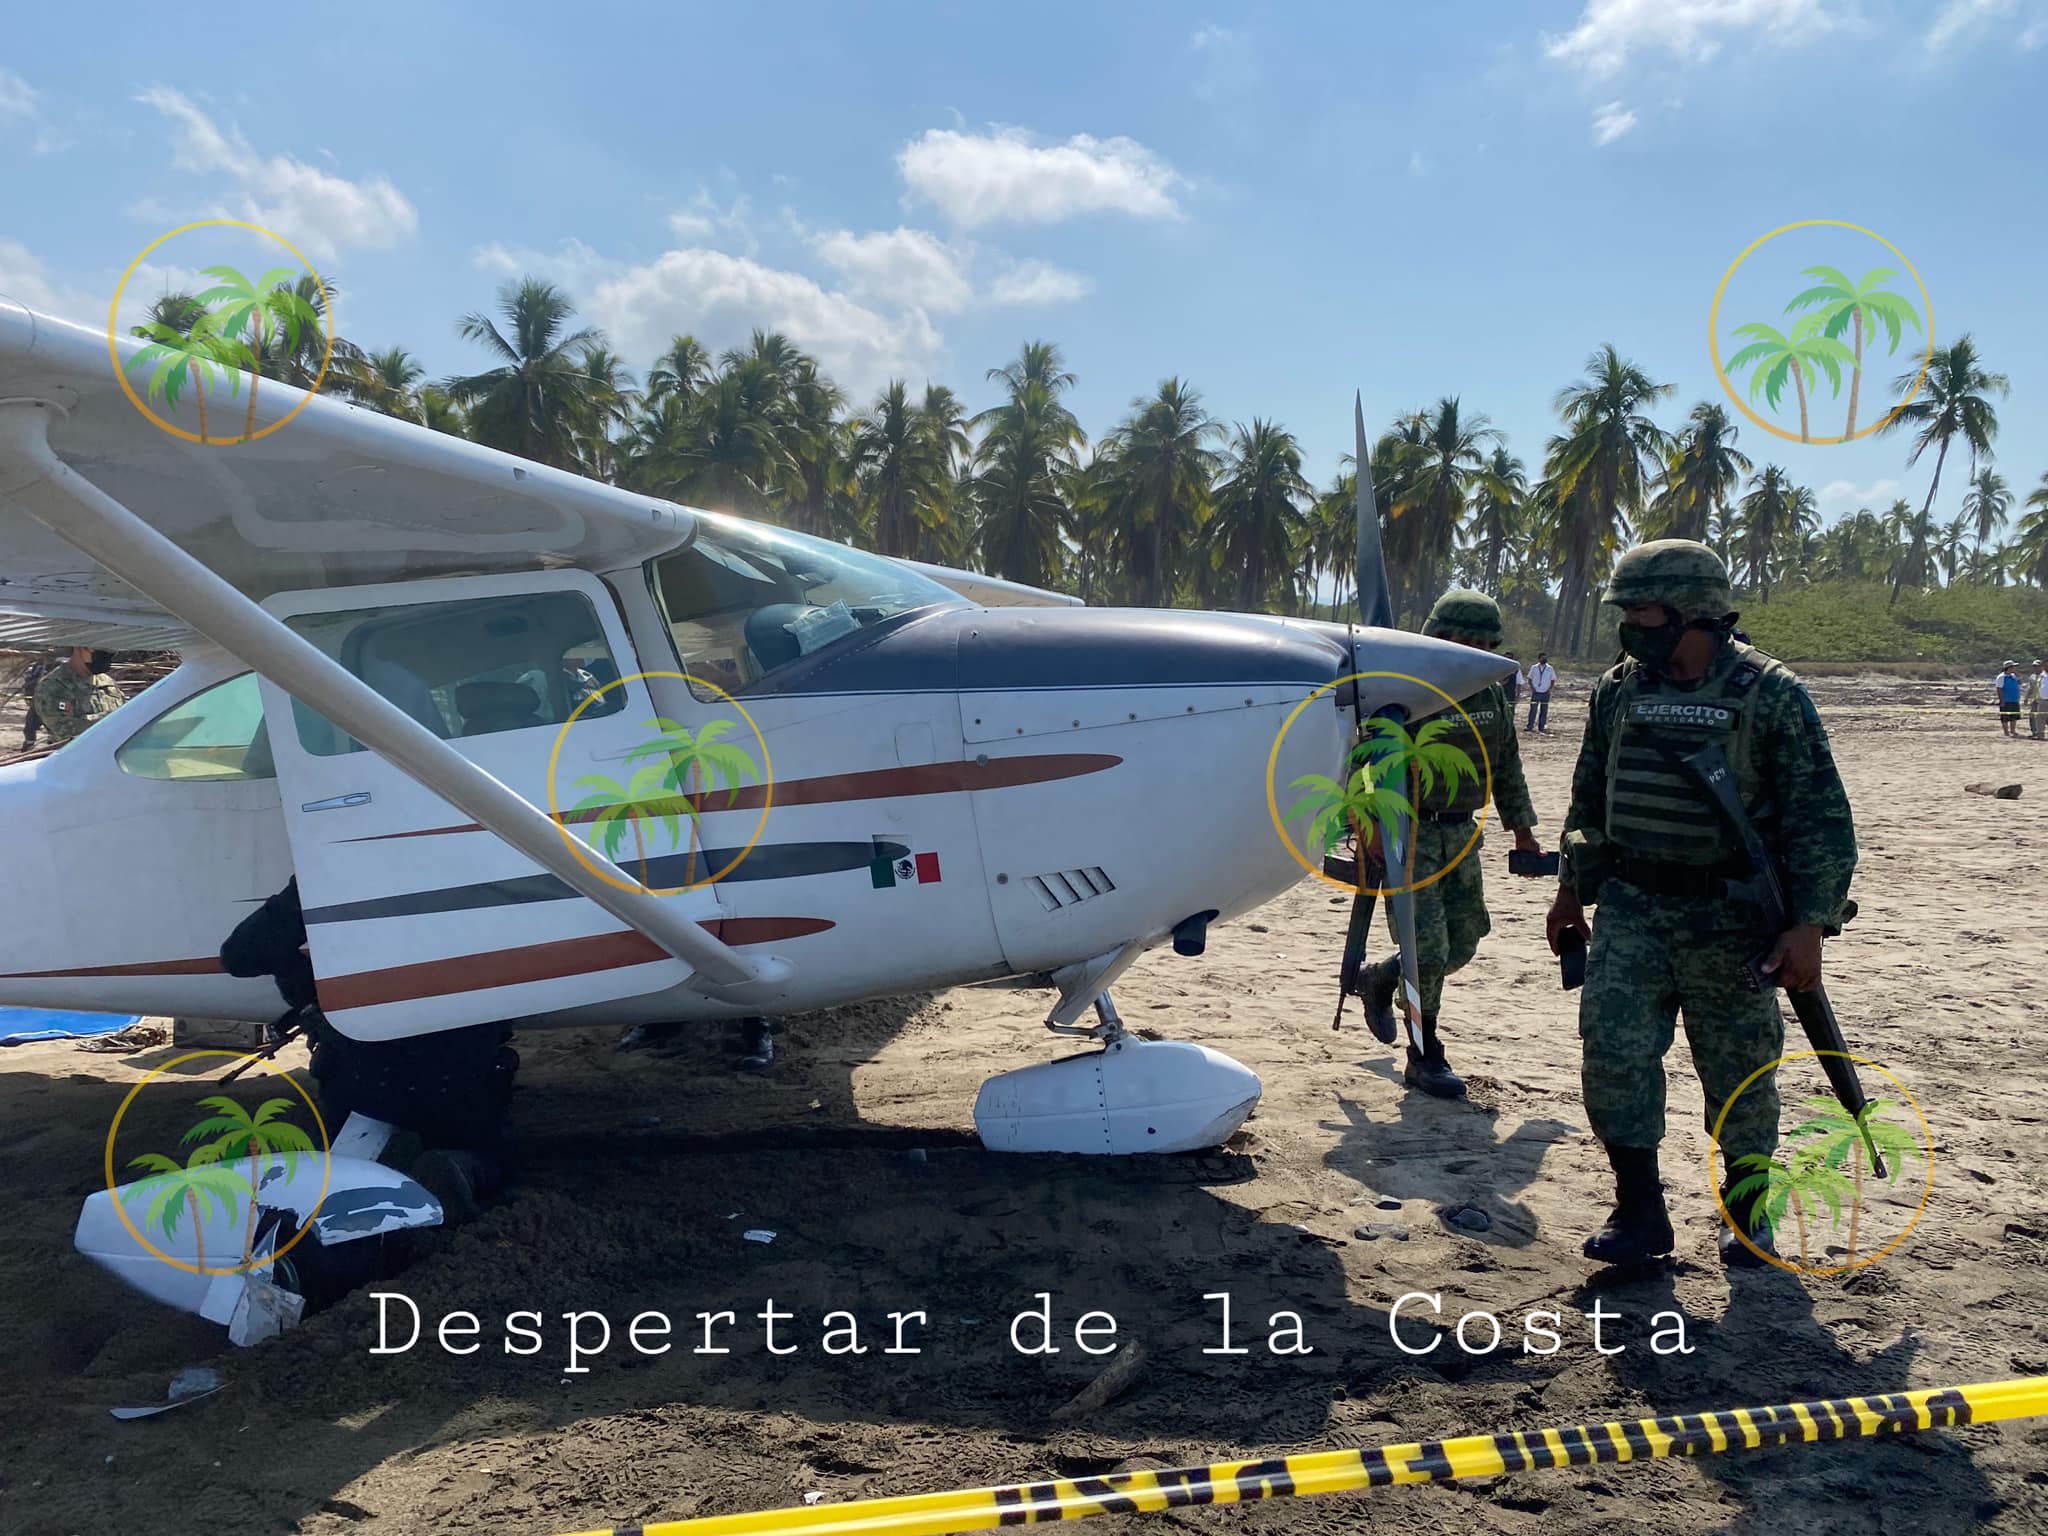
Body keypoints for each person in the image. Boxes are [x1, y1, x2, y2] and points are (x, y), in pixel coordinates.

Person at [1545, 540, 1856, 1270]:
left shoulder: (1769, 692)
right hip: (1631, 908)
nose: (1630, 626)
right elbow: (1589, 795)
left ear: (1692, 611)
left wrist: (1810, 924)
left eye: (1642, 611)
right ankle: (1640, 1211)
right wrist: (1570, 889)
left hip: (1732, 922)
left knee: (1741, 1074)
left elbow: (1821, 817)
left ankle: (1748, 1215)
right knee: (1614, 1058)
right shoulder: (1619, 689)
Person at [1362, 589, 1543, 1098]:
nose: (1472, 650)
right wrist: (1371, 823)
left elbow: (1505, 764)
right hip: (1410, 832)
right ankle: (1424, 1053)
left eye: (1484, 643)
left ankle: (1384, 975)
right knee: (1429, 948)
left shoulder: (1488, 694)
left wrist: (1523, 831)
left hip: (1463, 833)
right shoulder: (1405, 691)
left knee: (1465, 939)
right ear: (1435, 638)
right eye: (1462, 640)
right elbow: (1366, 758)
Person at [34, 647, 125, 745]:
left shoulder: (107, 682)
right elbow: (63, 730)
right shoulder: (55, 685)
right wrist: (110, 719)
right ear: (80, 648)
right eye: (99, 651)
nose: (106, 656)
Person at [16, 653, 50, 750]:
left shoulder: (56, 665)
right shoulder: (36, 667)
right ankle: (29, 744)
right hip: (37, 698)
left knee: (51, 724)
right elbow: (29, 682)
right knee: (30, 724)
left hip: (49, 700)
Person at [1525, 652, 1556, 733]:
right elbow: (1529, 678)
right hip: (1536, 692)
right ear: (1539, 658)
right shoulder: (1534, 667)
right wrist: (1532, 688)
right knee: (1533, 710)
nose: (1544, 659)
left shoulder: (1550, 668)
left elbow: (1553, 679)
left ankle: (1541, 727)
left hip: (1545, 693)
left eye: (1545, 658)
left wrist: (1549, 689)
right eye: (1543, 658)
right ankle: (1530, 726)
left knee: (1544, 710)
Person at [1996, 661, 2023, 738]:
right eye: (2013, 667)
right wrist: (2002, 700)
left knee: (2014, 716)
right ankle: (2006, 732)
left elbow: (2020, 682)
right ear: (2009, 668)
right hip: (2006, 700)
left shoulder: (2014, 676)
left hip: (2014, 700)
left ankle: (2013, 730)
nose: (2015, 668)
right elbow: (1999, 689)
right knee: (2005, 717)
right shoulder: (2001, 677)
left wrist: (2017, 674)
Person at [2030, 660, 2048, 742]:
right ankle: (2040, 735)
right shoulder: (2041, 676)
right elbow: (2038, 687)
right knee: (2040, 718)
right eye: (2046, 665)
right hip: (2043, 700)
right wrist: (2036, 698)